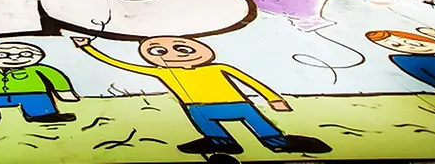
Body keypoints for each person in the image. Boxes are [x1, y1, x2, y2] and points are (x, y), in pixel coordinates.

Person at [72, 36, 330, 155]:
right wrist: (89, 48)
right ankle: (221, 142)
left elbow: (249, 81)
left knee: (258, 122)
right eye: (159, 50)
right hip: (198, 107)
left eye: (181, 48)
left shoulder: (219, 68)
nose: (170, 53)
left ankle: (277, 141)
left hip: (237, 102)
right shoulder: (164, 73)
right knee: (209, 126)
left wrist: (273, 98)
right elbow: (123, 65)